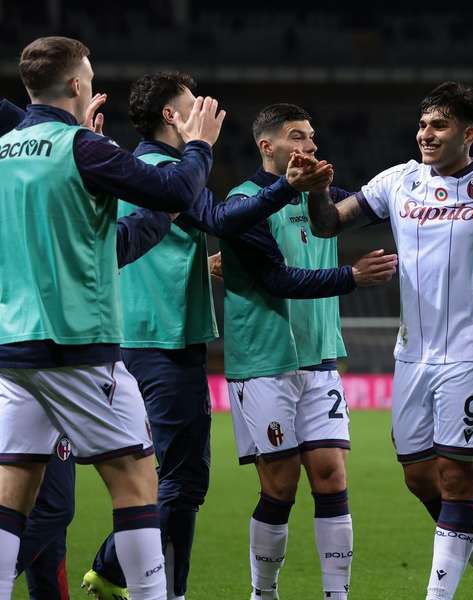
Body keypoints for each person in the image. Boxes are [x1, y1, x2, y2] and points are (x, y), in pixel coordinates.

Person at [305, 81, 473, 600]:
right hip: (412, 353)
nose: (425, 134)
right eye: (423, 123)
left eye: (439, 125)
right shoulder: (398, 182)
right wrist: (317, 190)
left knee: (456, 479)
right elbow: (326, 227)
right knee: (419, 478)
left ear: (469, 133)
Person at [81, 73, 333, 600]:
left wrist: (200, 261)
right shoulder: (169, 171)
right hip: (167, 343)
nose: (204, 111)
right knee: (183, 481)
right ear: (173, 116)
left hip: (131, 338)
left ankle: (111, 568)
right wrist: (287, 186)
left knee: (146, 475)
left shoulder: (132, 165)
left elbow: (176, 233)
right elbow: (219, 217)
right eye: (192, 105)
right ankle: (156, 587)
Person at [0, 36, 224, 600]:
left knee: (13, 489)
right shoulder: (81, 148)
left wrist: (154, 205)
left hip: (12, 351)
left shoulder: (5, 148)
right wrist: (198, 146)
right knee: (137, 483)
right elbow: (176, 184)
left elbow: (110, 244)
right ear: (77, 84)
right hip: (77, 348)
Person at [219, 103, 397, 600]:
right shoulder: (244, 203)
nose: (311, 147)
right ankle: (264, 592)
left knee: (330, 474)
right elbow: (276, 279)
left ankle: (336, 595)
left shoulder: (322, 198)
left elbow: (374, 205)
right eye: (298, 137)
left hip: (319, 359)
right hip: (264, 364)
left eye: (313, 138)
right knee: (279, 485)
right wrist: (352, 277)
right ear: (268, 146)